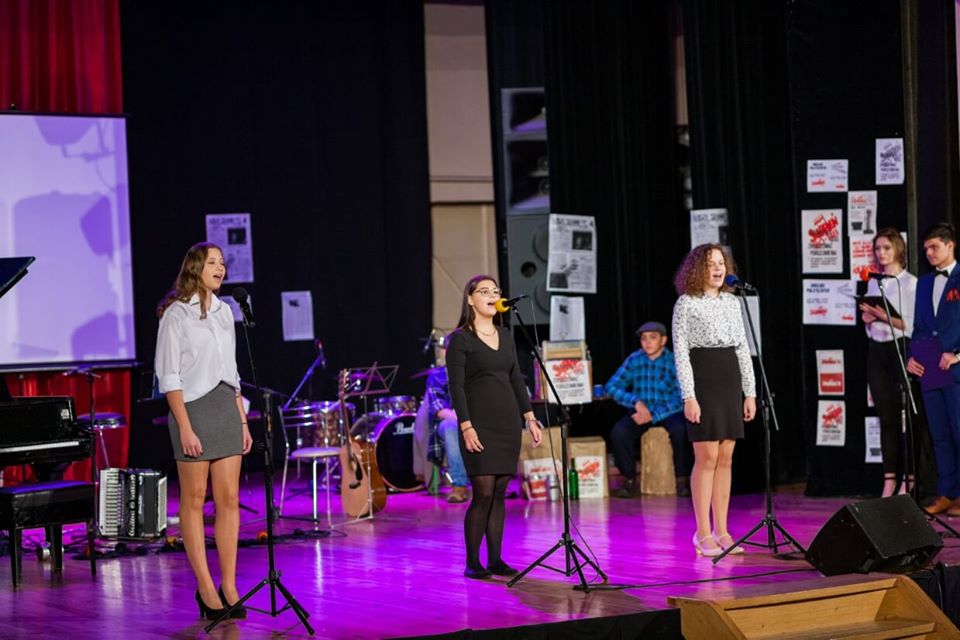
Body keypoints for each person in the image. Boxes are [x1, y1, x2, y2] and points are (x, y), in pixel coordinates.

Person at [155, 242, 254, 619]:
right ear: (196, 268)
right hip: (192, 410)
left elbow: (232, 371)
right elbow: (169, 376)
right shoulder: (176, 314)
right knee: (195, 500)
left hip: (226, 406)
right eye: (213, 262)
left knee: (228, 499)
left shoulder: (226, 311)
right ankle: (206, 588)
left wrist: (242, 420)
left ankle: (229, 585)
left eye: (223, 262)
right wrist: (185, 427)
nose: (221, 268)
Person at [446, 275, 542, 579]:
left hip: (507, 423)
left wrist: (529, 417)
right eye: (484, 291)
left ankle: (496, 560)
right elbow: (456, 387)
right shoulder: (460, 339)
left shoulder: (506, 335)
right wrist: (466, 426)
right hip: (478, 423)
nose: (492, 295)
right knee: (484, 493)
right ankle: (473, 562)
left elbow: (515, 378)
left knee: (500, 492)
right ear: (470, 299)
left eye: (495, 291)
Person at [672, 243, 756, 557]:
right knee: (706, 457)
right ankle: (702, 532)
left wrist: (750, 392)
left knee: (725, 458)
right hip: (703, 378)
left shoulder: (732, 302)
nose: (719, 268)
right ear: (698, 269)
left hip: (729, 378)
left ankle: (722, 530)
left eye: (721, 263)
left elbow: (742, 348)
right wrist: (689, 396)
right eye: (711, 264)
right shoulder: (686, 303)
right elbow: (681, 353)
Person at [858, 228, 917, 497]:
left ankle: (910, 478)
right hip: (877, 351)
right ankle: (889, 479)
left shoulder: (910, 283)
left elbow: (909, 325)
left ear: (898, 249)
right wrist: (868, 319)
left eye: (886, 248)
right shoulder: (873, 283)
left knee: (906, 416)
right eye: (877, 249)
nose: (881, 253)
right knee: (886, 417)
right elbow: (871, 323)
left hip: (900, 349)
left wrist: (880, 315)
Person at [907, 223, 960, 516]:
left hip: (955, 369)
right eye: (926, 248)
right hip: (930, 369)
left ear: (950, 245)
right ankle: (946, 493)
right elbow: (918, 327)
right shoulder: (925, 283)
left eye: (934, 247)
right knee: (939, 434)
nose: (929, 253)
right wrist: (911, 357)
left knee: (959, 432)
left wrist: (957, 355)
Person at [605, 320, 690, 498]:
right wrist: (635, 402)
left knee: (681, 430)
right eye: (644, 338)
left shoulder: (674, 361)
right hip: (642, 411)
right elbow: (612, 386)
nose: (647, 342)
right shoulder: (635, 359)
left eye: (653, 337)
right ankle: (629, 479)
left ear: (663, 340)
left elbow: (681, 396)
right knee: (620, 432)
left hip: (667, 411)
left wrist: (654, 414)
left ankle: (682, 480)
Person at [424, 365, 471, 503]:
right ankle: (459, 485)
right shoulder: (438, 375)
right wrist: (465, 422)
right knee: (451, 427)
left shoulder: (477, 368)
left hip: (477, 419)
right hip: (452, 421)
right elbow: (440, 409)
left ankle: (498, 482)